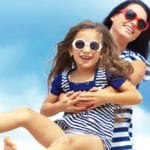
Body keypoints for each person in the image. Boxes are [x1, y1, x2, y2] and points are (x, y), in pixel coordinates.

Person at [0, 20, 142, 150]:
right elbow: (45, 111)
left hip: (95, 141)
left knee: (66, 142)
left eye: (94, 46)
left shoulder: (107, 75)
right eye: (80, 44)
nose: (86, 50)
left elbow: (135, 97)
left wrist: (104, 97)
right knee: (25, 113)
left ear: (102, 52)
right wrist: (61, 106)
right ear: (70, 50)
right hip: (64, 133)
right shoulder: (62, 79)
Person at [41, 0, 150, 150]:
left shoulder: (136, 61)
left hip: (117, 142)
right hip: (76, 136)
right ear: (114, 16)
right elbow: (60, 93)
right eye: (130, 15)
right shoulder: (83, 55)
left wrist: (96, 96)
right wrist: (62, 100)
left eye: (141, 24)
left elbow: (124, 85)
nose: (134, 23)